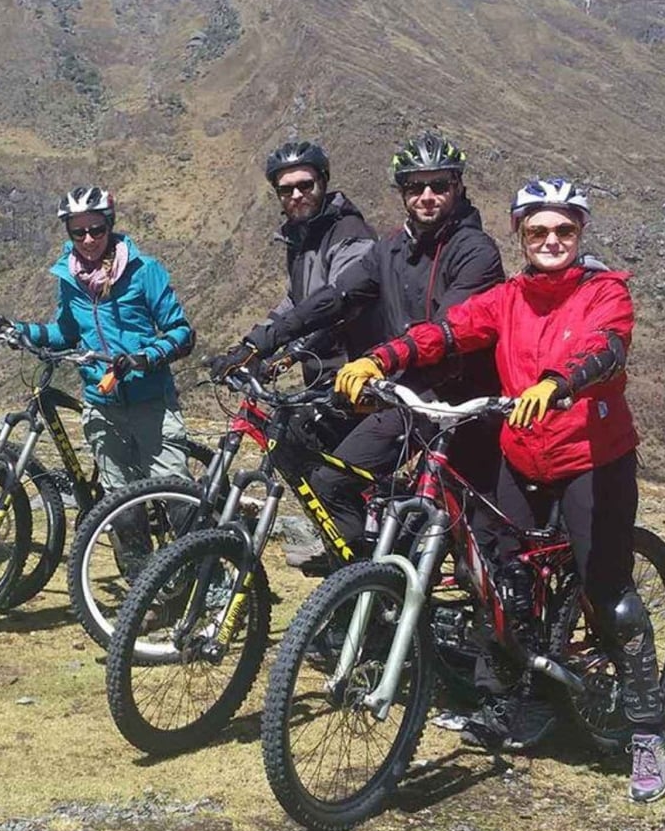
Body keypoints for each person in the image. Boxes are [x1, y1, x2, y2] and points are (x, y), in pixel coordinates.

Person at [335, 177, 665, 803]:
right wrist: (384, 359)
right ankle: (522, 698)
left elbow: (606, 347)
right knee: (499, 573)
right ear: (520, 235)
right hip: (522, 456)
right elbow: (450, 329)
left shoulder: (605, 291)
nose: (551, 241)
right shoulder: (509, 298)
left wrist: (560, 383)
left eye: (564, 230)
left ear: (580, 235)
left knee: (607, 586)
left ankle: (648, 728)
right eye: (538, 231)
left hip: (590, 460)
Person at [210, 132, 505, 556]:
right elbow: (333, 298)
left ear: (457, 187)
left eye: (439, 185)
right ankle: (368, 579)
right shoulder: (392, 248)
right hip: (401, 390)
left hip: (449, 401)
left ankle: (366, 588)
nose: (426, 196)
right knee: (318, 462)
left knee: (335, 481)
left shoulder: (476, 251)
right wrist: (259, 343)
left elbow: (449, 329)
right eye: (414, 186)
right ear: (402, 192)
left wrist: (380, 360)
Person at [0, 185, 196, 515]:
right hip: (102, 405)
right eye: (78, 231)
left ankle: (200, 565)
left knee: (176, 497)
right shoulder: (70, 278)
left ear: (109, 225)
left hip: (150, 401)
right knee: (119, 506)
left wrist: (143, 358)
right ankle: (138, 567)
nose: (87, 239)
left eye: (96, 229)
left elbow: (181, 333)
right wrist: (17, 329)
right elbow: (66, 333)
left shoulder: (144, 271)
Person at [248, 141, 379, 571]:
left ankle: (356, 566)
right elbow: (294, 302)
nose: (297, 195)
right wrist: (253, 344)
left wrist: (293, 348)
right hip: (323, 376)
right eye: (286, 190)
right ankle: (346, 550)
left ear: (323, 182)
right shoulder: (302, 238)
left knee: (327, 473)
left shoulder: (348, 234)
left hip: (357, 376)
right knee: (301, 452)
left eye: (305, 185)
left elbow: (338, 305)